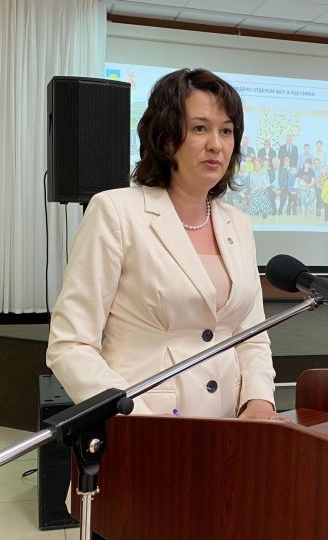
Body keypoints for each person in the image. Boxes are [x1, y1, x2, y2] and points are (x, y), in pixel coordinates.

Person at [47, 68, 283, 422]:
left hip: (232, 426)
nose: (216, 144)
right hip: (146, 424)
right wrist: (138, 422)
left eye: (226, 131)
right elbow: (70, 344)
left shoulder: (238, 223)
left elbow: (251, 336)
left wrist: (259, 401)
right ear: (167, 137)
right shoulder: (116, 211)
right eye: (200, 128)